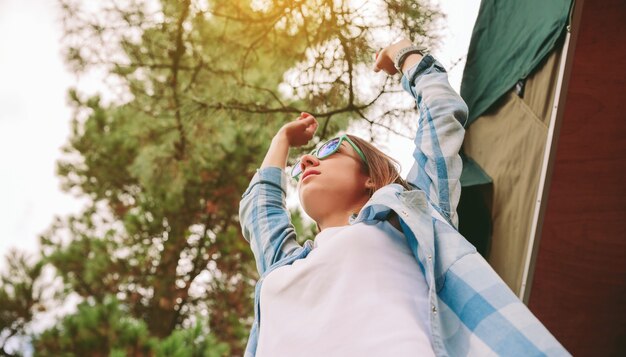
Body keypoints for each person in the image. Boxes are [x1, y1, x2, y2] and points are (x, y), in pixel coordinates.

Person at [239, 39, 569, 357]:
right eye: (302, 163)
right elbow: (260, 209)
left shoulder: (410, 213)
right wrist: (281, 140)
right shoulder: (283, 266)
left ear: (370, 175)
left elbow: (440, 113)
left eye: (328, 150)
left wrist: (403, 53)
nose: (308, 161)